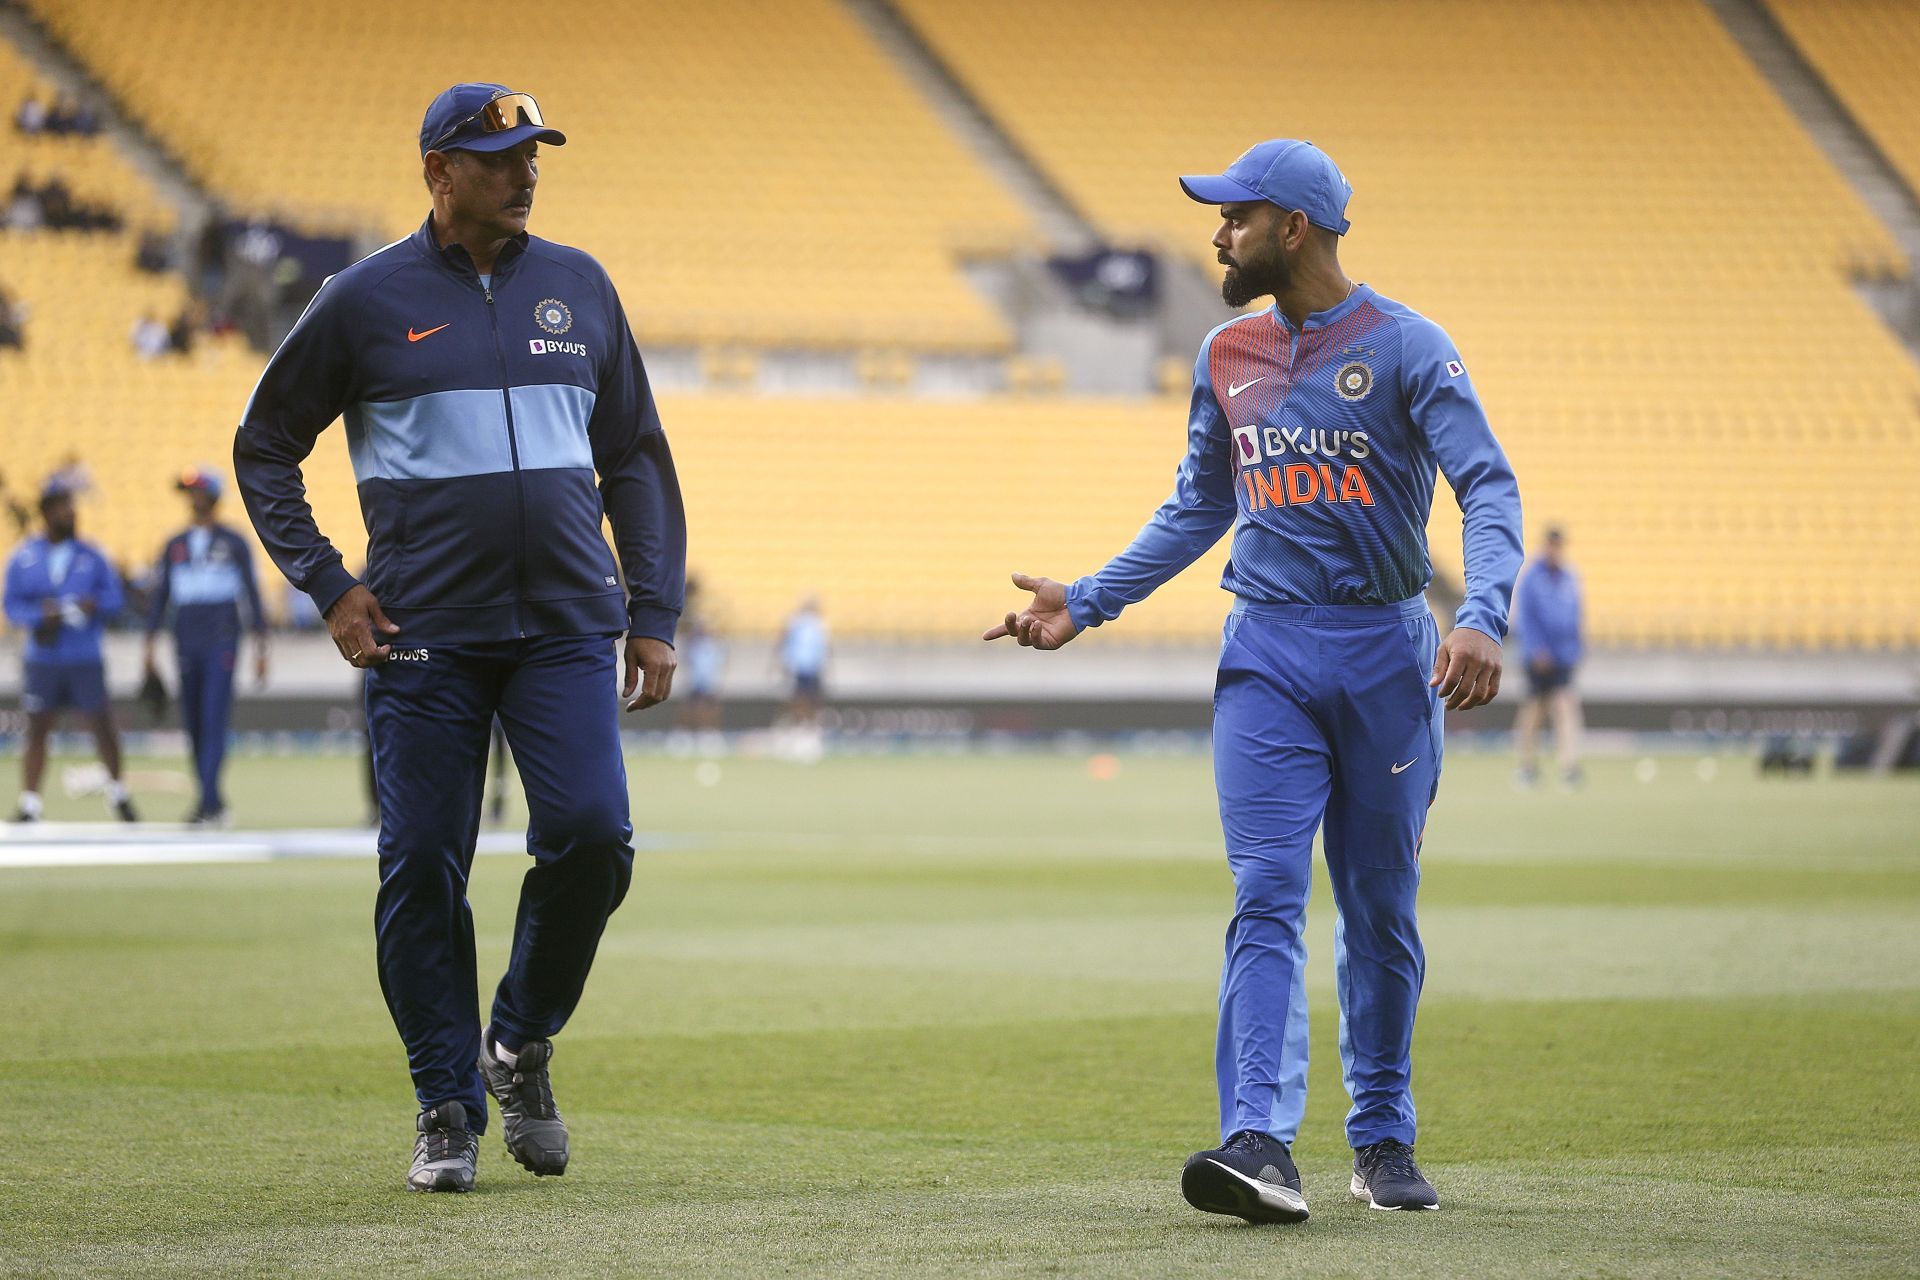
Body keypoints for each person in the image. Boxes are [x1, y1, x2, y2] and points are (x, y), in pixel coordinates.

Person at [985, 140, 1521, 1222]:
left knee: (1379, 911)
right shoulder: (1225, 351)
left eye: (1236, 215)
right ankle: (1261, 1143)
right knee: (1265, 892)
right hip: (1266, 655)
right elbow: (1197, 504)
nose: (1217, 233)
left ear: (1297, 226)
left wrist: (1483, 613)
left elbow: (1489, 486)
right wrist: (1086, 597)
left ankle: (1381, 1135)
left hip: (1384, 658)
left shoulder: (1411, 347)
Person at [233, 83, 686, 1194]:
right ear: (439, 172)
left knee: (593, 836)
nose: (525, 173)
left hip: (569, 623)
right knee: (424, 862)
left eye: (532, 154)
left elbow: (633, 452)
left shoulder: (580, 284)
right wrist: (333, 586)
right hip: (423, 631)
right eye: (499, 158)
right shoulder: (362, 298)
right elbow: (264, 447)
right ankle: (446, 1100)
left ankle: (519, 1039)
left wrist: (655, 608)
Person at [4, 484, 139, 823]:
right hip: (43, 656)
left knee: (101, 724)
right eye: (64, 506)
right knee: (37, 727)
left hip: (83, 655)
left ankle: (118, 793)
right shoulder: (24, 556)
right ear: (47, 511)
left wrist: (94, 605)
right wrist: (40, 616)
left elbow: (114, 599)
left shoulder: (92, 555)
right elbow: (11, 605)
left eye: (72, 505)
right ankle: (31, 802)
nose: (71, 512)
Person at [142, 467, 269, 825]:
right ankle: (211, 800)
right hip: (186, 633)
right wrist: (148, 646)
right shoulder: (175, 544)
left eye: (198, 492)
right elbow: (160, 598)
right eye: (189, 493)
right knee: (194, 721)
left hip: (222, 633)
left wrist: (262, 645)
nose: (193, 499)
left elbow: (252, 594)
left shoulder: (234, 542)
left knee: (214, 718)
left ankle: (208, 802)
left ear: (212, 496)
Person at [1510, 527, 1584, 787]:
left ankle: (1569, 766)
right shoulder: (1532, 578)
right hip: (1538, 658)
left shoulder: (1569, 578)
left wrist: (1575, 650)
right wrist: (1535, 650)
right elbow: (1526, 618)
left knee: (1565, 706)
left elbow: (1575, 617)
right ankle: (1527, 766)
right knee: (1534, 710)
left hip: (1563, 657)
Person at [777, 594, 829, 726]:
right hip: (799, 665)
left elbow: (823, 646)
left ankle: (810, 725)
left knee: (813, 698)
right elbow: (785, 640)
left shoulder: (819, 623)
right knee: (798, 698)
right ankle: (798, 724)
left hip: (813, 666)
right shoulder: (796, 622)